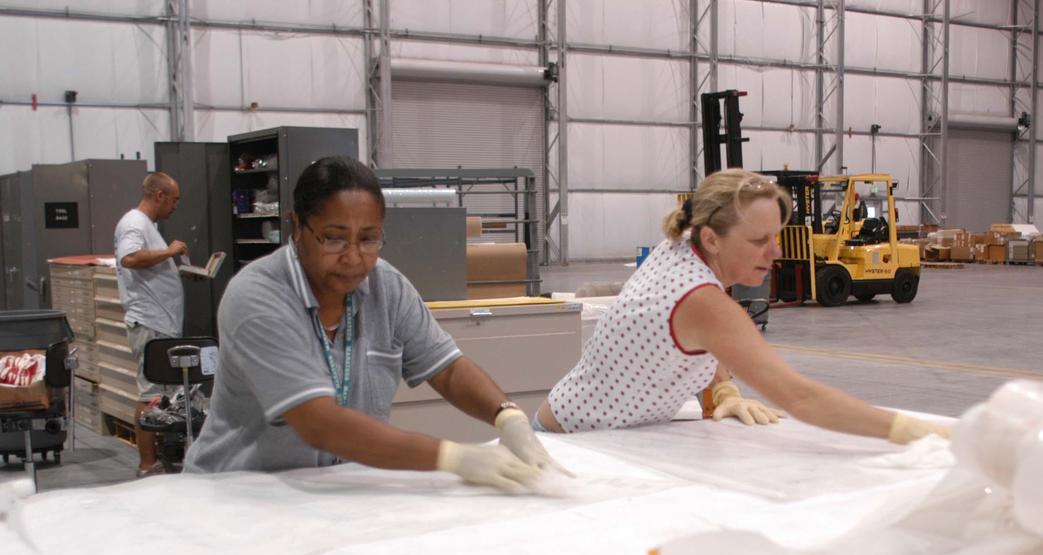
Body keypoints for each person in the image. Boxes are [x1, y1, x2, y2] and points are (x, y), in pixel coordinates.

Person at [185, 156, 564, 493]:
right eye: (334, 240)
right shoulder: (258, 298)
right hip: (240, 493)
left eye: (369, 239)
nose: (353, 258)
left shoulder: (386, 286)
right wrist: (453, 458)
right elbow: (320, 424)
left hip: (334, 491)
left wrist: (507, 415)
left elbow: (447, 369)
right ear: (298, 226)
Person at [535, 168, 950, 445]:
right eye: (757, 241)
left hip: (589, 427)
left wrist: (722, 388)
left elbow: (689, 338)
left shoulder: (681, 245)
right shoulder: (703, 301)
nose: (774, 252)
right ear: (713, 238)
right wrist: (909, 430)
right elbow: (801, 398)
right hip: (577, 445)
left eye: (776, 236)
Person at [114, 172, 187, 478]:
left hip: (161, 323)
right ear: (160, 195)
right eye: (174, 199)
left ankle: (162, 457)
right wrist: (170, 251)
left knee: (162, 395)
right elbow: (129, 259)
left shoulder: (148, 227)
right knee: (150, 394)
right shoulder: (134, 223)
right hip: (149, 322)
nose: (175, 206)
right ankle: (147, 464)